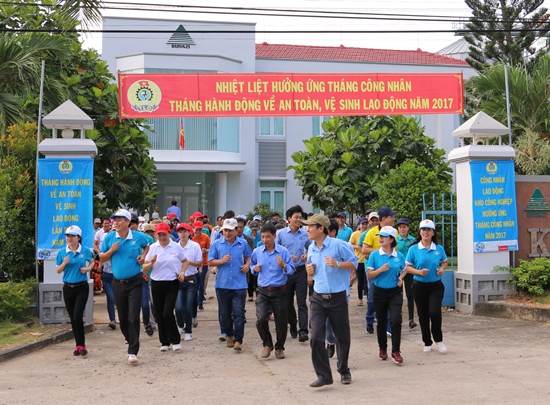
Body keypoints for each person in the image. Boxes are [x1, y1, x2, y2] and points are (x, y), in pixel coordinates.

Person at [303, 214, 358, 388]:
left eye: (310, 226)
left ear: (321, 228)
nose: (307, 229)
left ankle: (344, 369)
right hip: (318, 298)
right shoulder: (311, 248)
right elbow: (311, 270)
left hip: (337, 298)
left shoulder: (339, 245)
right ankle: (324, 375)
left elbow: (354, 263)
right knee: (316, 337)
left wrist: (337, 264)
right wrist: (309, 271)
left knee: (342, 337)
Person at [100, 209, 150, 365]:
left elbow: (147, 246)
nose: (116, 222)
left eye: (120, 220)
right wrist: (111, 250)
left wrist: (143, 256)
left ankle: (133, 351)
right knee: (122, 318)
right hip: (118, 283)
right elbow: (102, 257)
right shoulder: (109, 238)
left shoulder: (138, 236)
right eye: (115, 220)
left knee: (133, 316)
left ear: (128, 222)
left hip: (135, 281)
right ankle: (130, 339)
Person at [250, 223, 295, 359]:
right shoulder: (257, 251)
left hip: (279, 290)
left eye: (268, 237)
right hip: (263, 291)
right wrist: (254, 269)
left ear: (274, 236)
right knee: (261, 319)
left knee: (281, 321)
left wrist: (283, 265)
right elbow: (252, 266)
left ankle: (279, 347)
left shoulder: (283, 252)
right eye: (263, 237)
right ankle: (267, 344)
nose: (265, 240)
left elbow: (291, 270)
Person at [208, 218, 252, 352]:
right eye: (225, 230)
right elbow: (210, 261)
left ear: (236, 230)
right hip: (223, 284)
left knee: (239, 313)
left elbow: (249, 256)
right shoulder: (217, 244)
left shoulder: (243, 243)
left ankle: (238, 340)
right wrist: (221, 261)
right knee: (225, 314)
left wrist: (247, 265)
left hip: (239, 284)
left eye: (230, 230)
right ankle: (229, 334)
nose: (227, 233)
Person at [405, 219, 449, 354]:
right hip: (419, 286)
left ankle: (438, 340)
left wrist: (442, 269)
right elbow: (407, 267)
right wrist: (419, 272)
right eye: (423, 230)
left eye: (429, 230)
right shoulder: (414, 249)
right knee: (423, 315)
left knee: (435, 312)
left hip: (436, 286)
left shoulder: (438, 248)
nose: (426, 232)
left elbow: (445, 262)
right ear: (420, 232)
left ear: (433, 232)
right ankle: (427, 342)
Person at [143, 222, 188, 352]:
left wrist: (182, 273)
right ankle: (164, 341)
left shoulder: (175, 246)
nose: (162, 237)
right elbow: (144, 267)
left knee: (167, 312)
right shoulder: (153, 248)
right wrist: (151, 262)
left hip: (172, 282)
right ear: (156, 235)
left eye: (164, 234)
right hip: (156, 282)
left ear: (169, 234)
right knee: (159, 313)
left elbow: (185, 261)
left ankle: (175, 340)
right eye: (160, 235)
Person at [367, 226, 406, 364]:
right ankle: (382, 348)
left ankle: (396, 351)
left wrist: (401, 277)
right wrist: (380, 270)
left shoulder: (399, 256)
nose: (380, 239)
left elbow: (404, 269)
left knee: (396, 320)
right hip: (379, 292)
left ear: (391, 239)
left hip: (395, 292)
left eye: (384, 236)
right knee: (382, 322)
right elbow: (369, 274)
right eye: (380, 236)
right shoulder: (374, 255)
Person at [56, 225, 93, 356]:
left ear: (79, 238)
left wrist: (88, 268)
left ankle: (82, 345)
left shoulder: (85, 250)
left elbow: (92, 261)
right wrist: (64, 263)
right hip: (68, 288)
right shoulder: (62, 252)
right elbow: (58, 270)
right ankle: (78, 345)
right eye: (68, 236)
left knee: (77, 316)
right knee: (73, 318)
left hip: (81, 287)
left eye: (72, 236)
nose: (69, 238)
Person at [275, 205, 310, 342]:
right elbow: (275, 251)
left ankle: (303, 330)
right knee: (287, 302)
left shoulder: (305, 234)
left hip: (300, 270)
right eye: (296, 217)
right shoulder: (281, 234)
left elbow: (312, 248)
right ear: (289, 219)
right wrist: (287, 256)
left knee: (302, 301)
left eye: (300, 218)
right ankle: (293, 325)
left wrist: (307, 255)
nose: (299, 220)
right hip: (286, 272)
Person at [361, 207, 397, 334]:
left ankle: (388, 325)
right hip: (374, 269)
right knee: (372, 298)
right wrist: (380, 251)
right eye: (391, 217)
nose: (393, 219)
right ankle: (370, 319)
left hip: (389, 270)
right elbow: (364, 249)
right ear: (383, 219)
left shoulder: (394, 232)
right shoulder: (372, 232)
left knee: (390, 297)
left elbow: (395, 250)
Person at [176, 223, 203, 341]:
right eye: (180, 231)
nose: (182, 234)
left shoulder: (195, 246)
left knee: (188, 307)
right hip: (178, 280)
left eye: (184, 231)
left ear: (189, 233)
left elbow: (199, 263)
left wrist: (187, 262)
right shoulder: (175, 246)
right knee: (178, 307)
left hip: (191, 279)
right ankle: (180, 325)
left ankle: (188, 331)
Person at [94, 217, 116, 330]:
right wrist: (100, 265)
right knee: (110, 298)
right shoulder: (102, 237)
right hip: (107, 275)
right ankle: (112, 320)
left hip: (118, 275)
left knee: (118, 299)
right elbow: (102, 255)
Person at [396, 217, 417, 329]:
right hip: (398, 271)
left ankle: (411, 319)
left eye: (404, 227)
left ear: (408, 228)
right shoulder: (395, 240)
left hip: (409, 270)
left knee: (410, 294)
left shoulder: (413, 240)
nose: (402, 229)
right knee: (398, 294)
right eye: (400, 227)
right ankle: (397, 317)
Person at [349, 217, 369, 306]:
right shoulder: (355, 234)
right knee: (360, 280)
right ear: (359, 225)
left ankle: (369, 298)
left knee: (367, 281)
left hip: (367, 260)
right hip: (359, 260)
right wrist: (358, 247)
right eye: (362, 224)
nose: (364, 226)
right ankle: (360, 298)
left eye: (366, 224)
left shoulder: (369, 233)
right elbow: (350, 245)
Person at [191, 220, 210, 311]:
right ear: (193, 229)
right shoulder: (191, 238)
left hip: (204, 262)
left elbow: (210, 248)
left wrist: (206, 250)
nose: (198, 231)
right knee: (194, 283)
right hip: (193, 263)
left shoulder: (205, 237)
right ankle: (194, 302)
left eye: (200, 230)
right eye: (196, 229)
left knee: (201, 283)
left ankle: (200, 302)